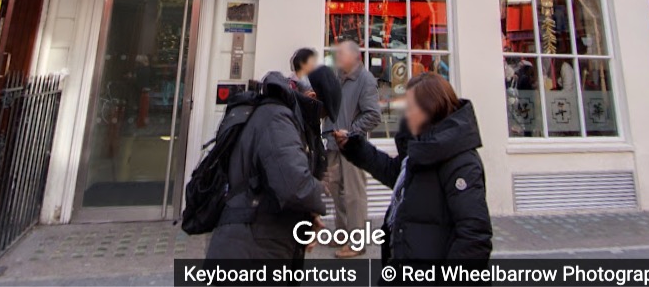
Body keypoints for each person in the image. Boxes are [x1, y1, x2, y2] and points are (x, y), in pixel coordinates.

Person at [337, 72, 492, 263]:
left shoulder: (461, 162)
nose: (406, 114)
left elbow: (474, 237)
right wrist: (355, 147)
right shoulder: (423, 148)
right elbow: (395, 173)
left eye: (411, 107)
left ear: (431, 108)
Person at [206, 66, 343, 262]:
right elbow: (294, 186)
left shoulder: (285, 118)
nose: (320, 121)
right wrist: (318, 193)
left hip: (263, 242)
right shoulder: (278, 118)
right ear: (312, 96)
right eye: (322, 115)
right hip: (248, 251)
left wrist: (308, 216)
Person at [324, 39, 381, 258]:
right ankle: (342, 235)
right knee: (337, 191)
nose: (337, 58)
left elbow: (373, 115)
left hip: (352, 145)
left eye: (341, 54)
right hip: (333, 143)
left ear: (354, 57)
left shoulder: (365, 80)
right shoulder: (338, 77)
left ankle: (357, 243)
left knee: (354, 194)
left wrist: (350, 131)